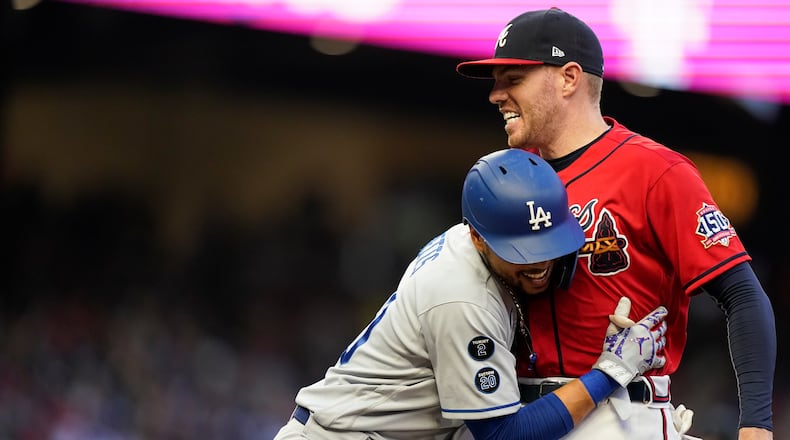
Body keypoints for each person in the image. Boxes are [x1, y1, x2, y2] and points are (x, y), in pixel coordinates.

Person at [455, 7, 776, 440]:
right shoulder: (510, 181)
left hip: (620, 413)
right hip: (521, 417)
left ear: (569, 78)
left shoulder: (655, 171)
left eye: (513, 79)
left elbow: (742, 294)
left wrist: (756, 423)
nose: (496, 94)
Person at [273, 148, 668, 440]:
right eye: (522, 250)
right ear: (477, 236)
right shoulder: (463, 296)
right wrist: (610, 372)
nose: (539, 263)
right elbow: (503, 436)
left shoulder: (478, 247)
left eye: (547, 243)